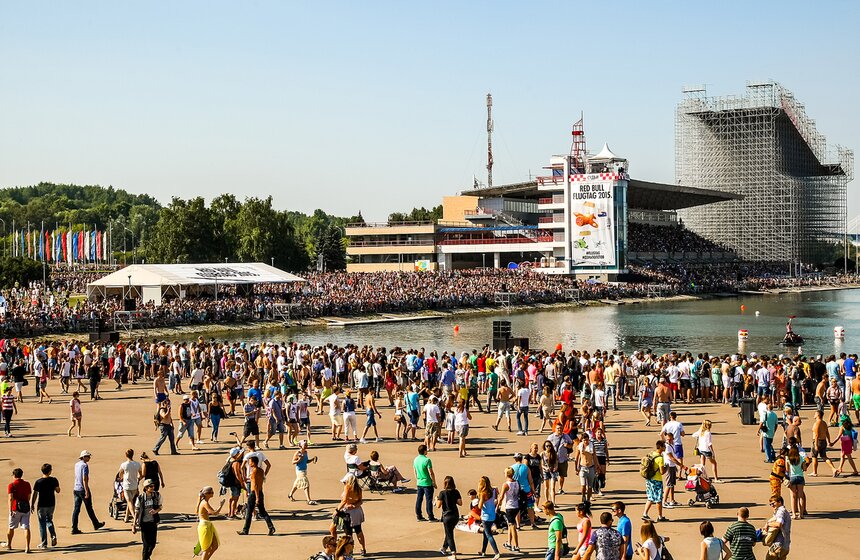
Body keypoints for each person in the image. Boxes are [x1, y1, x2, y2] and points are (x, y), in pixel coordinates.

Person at [237, 455, 275, 536]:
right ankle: (271, 527)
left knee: (249, 512)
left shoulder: (254, 472)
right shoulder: (261, 470)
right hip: (260, 492)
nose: (249, 463)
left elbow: (255, 486)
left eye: (250, 462)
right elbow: (258, 481)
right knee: (262, 511)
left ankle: (245, 530)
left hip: (254, 493)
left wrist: (257, 498)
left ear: (253, 463)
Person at [332, 473, 366, 556]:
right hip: (357, 512)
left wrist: (337, 510)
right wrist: (354, 506)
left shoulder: (348, 487)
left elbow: (344, 501)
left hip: (348, 513)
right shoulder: (358, 489)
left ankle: (350, 551)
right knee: (359, 531)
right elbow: (360, 501)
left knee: (348, 534)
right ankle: (363, 549)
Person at [71, 450, 105, 534]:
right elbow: (84, 479)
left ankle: (74, 527)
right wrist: (86, 490)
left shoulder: (77, 464)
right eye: (88, 456)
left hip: (76, 488)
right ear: (84, 457)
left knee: (76, 509)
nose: (89, 458)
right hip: (82, 489)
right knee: (89, 508)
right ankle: (96, 524)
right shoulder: (84, 465)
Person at [31, 463, 60, 550]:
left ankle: (44, 543)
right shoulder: (54, 480)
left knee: (42, 524)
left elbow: (35, 494)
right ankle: (53, 535)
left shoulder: (38, 482)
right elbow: (58, 490)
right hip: (51, 504)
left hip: (42, 505)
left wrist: (32, 504)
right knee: (49, 520)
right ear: (50, 471)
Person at [132, 479, 163, 560]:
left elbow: (160, 507)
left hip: (153, 523)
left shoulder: (157, 496)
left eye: (153, 486)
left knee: (152, 544)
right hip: (144, 524)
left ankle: (147, 557)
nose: (153, 488)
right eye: (150, 486)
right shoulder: (141, 498)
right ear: (146, 488)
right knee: (146, 545)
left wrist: (155, 511)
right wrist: (134, 524)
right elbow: (137, 511)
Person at [193, 486, 225, 560]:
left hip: (207, 525)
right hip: (205, 526)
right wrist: (221, 506)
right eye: (211, 492)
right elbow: (214, 513)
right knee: (206, 549)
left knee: (215, 545)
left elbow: (211, 512)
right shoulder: (204, 503)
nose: (212, 493)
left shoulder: (204, 502)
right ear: (206, 494)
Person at [436, 475, 462, 560]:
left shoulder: (442, 493)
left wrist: (437, 499)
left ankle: (453, 553)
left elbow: (438, 506)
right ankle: (444, 548)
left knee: (449, 534)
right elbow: (460, 503)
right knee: (449, 532)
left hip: (447, 516)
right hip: (455, 515)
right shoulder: (456, 492)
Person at [6, 468, 31, 553]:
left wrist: (10, 510)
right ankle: (27, 547)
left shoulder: (11, 485)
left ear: (14, 475)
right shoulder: (27, 484)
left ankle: (9, 544)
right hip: (25, 508)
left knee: (11, 527)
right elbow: (28, 497)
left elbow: (10, 498)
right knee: (26, 527)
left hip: (15, 508)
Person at [641, 440, 667, 522]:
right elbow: (662, 472)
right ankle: (660, 516)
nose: (665, 448)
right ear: (661, 447)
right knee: (658, 499)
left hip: (649, 479)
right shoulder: (660, 458)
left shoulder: (651, 454)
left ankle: (645, 514)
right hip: (657, 480)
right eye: (664, 446)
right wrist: (667, 467)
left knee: (650, 497)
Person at [288, 440, 318, 505]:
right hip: (299, 471)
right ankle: (308, 500)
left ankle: (290, 494)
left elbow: (306, 461)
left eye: (306, 444)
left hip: (304, 470)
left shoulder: (306, 452)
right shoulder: (297, 453)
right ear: (300, 445)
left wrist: (312, 459)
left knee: (297, 483)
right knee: (306, 483)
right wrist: (299, 460)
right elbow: (293, 462)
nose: (306, 445)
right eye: (305, 444)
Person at [477, 475, 500, 559]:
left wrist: (479, 499)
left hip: (485, 516)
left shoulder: (483, 493)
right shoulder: (493, 490)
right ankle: (483, 551)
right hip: (492, 515)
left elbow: (479, 506)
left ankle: (496, 552)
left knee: (489, 535)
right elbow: (496, 497)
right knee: (485, 534)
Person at [117, 448, 142, 523]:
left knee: (130, 502)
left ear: (126, 455)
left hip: (127, 486)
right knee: (130, 501)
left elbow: (120, 474)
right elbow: (140, 474)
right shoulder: (137, 464)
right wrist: (138, 478)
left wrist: (121, 478)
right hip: (134, 486)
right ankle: (126, 517)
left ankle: (135, 518)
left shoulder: (124, 464)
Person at [762, 496, 791, 560]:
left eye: (773, 503)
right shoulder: (784, 511)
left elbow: (779, 524)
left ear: (779, 502)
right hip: (785, 546)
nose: (772, 505)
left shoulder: (781, 511)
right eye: (770, 504)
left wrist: (768, 524)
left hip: (778, 545)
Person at [413, 444, 437, 522]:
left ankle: (418, 515)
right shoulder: (427, 460)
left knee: (419, 499)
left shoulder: (416, 459)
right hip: (427, 483)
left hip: (419, 482)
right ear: (424, 451)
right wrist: (434, 482)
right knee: (429, 500)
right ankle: (430, 516)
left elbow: (415, 470)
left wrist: (417, 478)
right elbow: (431, 472)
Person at [500, 466, 520, 553]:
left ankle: (516, 545)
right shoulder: (517, 482)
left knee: (512, 526)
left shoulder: (506, 484)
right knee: (510, 525)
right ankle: (509, 542)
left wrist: (498, 506)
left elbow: (501, 496)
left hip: (510, 506)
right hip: (516, 505)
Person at [786, 446, 808, 519]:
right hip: (800, 477)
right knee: (800, 496)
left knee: (793, 496)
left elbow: (787, 470)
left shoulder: (788, 459)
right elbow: (804, 468)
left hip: (792, 477)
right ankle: (801, 514)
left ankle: (794, 514)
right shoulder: (801, 458)